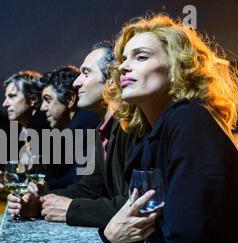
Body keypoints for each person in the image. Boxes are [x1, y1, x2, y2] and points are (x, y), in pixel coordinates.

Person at [100, 14, 238, 243]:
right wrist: (115, 231)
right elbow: (140, 216)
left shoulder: (190, 120)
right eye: (123, 59)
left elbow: (186, 236)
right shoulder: (150, 136)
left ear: (177, 67)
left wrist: (116, 233)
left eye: (141, 57)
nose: (123, 66)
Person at [7, 42, 140, 227]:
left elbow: (135, 204)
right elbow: (90, 187)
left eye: (85, 74)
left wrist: (70, 209)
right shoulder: (100, 130)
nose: (77, 83)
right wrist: (37, 203)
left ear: (112, 80)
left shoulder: (131, 126)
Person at [38, 65, 100, 190]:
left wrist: (47, 187)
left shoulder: (84, 130)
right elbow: (74, 176)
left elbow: (82, 184)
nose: (42, 108)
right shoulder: (75, 129)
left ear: (70, 99)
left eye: (48, 100)